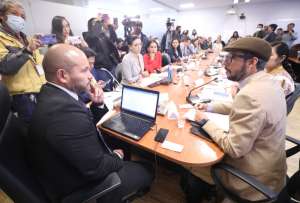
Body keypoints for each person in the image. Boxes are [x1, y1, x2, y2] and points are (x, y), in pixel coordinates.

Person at [27, 44, 154, 203]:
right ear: (63, 75)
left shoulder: (55, 94)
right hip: (81, 186)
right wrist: (116, 156)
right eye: (85, 70)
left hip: (74, 164)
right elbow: (96, 168)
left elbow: (85, 125)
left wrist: (98, 104)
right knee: (147, 169)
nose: (91, 76)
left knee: (121, 145)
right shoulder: (64, 115)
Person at [186, 37, 287, 202]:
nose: (225, 63)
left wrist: (205, 121)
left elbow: (234, 149)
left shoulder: (251, 95)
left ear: (252, 62)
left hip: (252, 180)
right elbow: (242, 107)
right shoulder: (268, 81)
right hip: (271, 168)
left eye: (231, 58)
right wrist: (210, 107)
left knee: (193, 164)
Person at [0, 0, 46, 123]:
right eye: (14, 14)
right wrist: (28, 50)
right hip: (22, 98)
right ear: (2, 16)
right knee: (32, 132)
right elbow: (5, 66)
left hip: (42, 91)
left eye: (22, 16)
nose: (19, 18)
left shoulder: (27, 39)